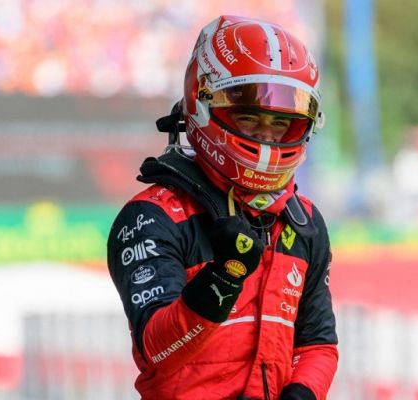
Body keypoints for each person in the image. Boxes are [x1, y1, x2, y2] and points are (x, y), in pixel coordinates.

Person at [107, 15, 338, 400]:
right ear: (202, 104)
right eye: (249, 118)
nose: (267, 136)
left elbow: (317, 345)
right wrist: (224, 277)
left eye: (281, 123)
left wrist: (303, 393)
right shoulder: (151, 217)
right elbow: (157, 350)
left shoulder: (304, 222)